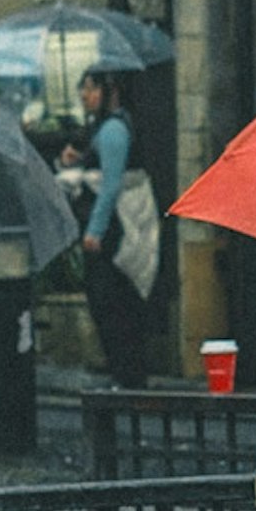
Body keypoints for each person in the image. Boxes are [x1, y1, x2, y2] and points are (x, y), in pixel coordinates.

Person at [72, 73, 166, 388]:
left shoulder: (112, 129)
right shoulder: (105, 128)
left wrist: (94, 231)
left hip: (114, 230)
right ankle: (126, 374)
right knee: (115, 301)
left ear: (109, 91)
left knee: (112, 301)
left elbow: (110, 185)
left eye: (92, 87)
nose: (85, 95)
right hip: (113, 227)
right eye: (83, 88)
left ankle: (127, 374)